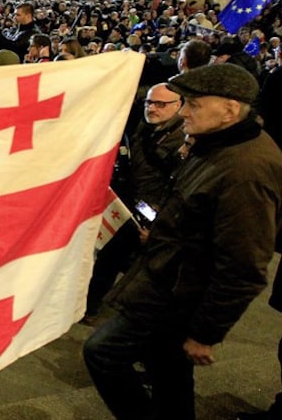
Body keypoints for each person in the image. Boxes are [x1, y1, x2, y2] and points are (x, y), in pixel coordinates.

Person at [84, 63, 282, 420]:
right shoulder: (218, 146)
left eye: (193, 104)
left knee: (102, 352)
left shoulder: (245, 171)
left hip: (177, 294)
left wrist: (206, 332)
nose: (183, 111)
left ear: (229, 109)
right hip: (170, 281)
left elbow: (244, 266)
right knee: (168, 373)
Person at [84, 83, 185, 323]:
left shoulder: (181, 140)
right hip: (125, 200)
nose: (153, 108)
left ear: (178, 105)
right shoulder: (144, 127)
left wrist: (157, 222)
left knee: (126, 260)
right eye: (150, 102)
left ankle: (107, 308)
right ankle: (93, 303)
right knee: (108, 254)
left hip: (148, 210)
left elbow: (177, 185)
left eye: (161, 104)